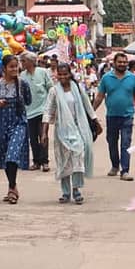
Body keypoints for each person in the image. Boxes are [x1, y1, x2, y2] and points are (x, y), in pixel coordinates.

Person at [41, 64, 98, 204]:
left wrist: (96, 121)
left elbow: (87, 106)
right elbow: (47, 111)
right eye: (60, 74)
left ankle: (76, 189)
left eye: (65, 74)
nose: (63, 77)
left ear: (69, 74)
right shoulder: (54, 91)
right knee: (64, 161)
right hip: (62, 130)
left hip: (78, 129)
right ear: (56, 75)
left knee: (78, 156)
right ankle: (66, 192)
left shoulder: (77, 88)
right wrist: (44, 132)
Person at [0, 54, 32, 204]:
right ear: (4, 68)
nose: (14, 69)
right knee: (5, 156)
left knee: (12, 154)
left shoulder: (23, 84)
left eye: (16, 66)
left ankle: (12, 188)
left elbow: (29, 101)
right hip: (0, 123)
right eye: (11, 66)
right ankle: (12, 186)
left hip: (18, 122)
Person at [93, 52, 135, 181]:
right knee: (112, 142)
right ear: (114, 63)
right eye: (120, 62)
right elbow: (100, 96)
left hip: (127, 116)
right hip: (111, 116)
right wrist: (91, 111)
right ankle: (115, 166)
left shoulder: (132, 78)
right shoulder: (106, 78)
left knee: (126, 143)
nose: (122, 64)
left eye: (124, 62)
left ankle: (125, 170)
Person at [20, 52, 53, 172]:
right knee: (32, 139)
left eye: (24, 61)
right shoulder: (22, 75)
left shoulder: (43, 72)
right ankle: (36, 161)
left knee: (43, 136)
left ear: (31, 62)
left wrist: (51, 106)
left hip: (43, 110)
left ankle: (45, 161)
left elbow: (51, 88)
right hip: (28, 112)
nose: (22, 63)